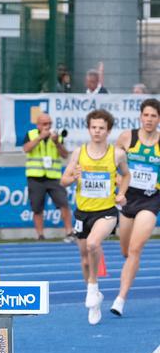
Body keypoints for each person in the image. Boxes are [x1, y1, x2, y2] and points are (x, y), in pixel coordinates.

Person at [60, 109, 127, 325]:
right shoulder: (79, 153)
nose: (97, 131)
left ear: (108, 131)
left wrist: (121, 193)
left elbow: (126, 175)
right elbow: (64, 180)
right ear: (89, 129)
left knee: (92, 244)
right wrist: (74, 176)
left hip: (106, 212)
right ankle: (95, 298)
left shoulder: (116, 154)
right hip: (83, 212)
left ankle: (92, 287)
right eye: (94, 127)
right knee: (84, 258)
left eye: (101, 128)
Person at [112, 98, 160, 316]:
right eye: (146, 115)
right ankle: (131, 263)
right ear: (140, 117)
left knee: (135, 249)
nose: (149, 119)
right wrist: (118, 184)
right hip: (127, 199)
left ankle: (120, 299)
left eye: (153, 116)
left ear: (159, 119)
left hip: (151, 200)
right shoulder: (127, 137)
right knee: (125, 250)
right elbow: (111, 164)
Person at [22, 112, 75, 241]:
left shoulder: (56, 136)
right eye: (45, 124)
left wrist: (57, 143)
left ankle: (69, 232)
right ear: (38, 125)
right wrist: (40, 137)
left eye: (50, 123)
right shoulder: (31, 134)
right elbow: (26, 149)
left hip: (53, 177)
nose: (48, 126)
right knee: (37, 208)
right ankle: (40, 235)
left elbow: (65, 155)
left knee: (64, 204)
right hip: (35, 177)